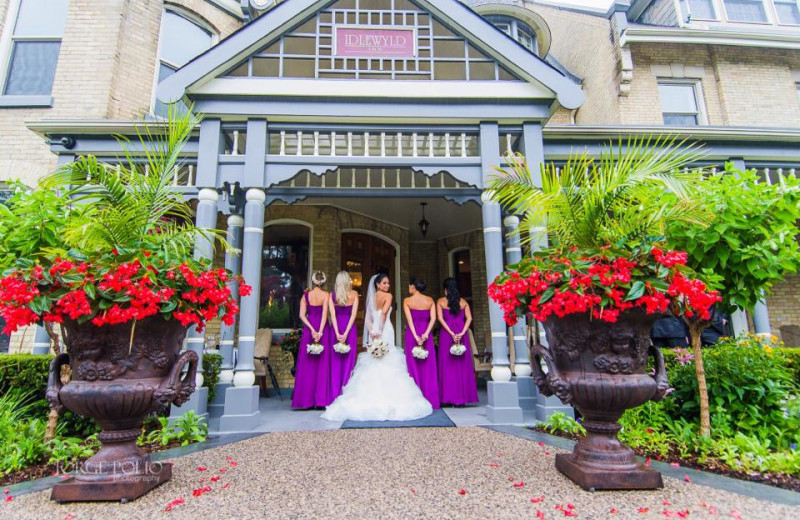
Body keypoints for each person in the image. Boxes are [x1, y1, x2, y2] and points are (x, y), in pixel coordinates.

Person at [322, 273, 433, 422]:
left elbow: (368, 317)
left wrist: (372, 331)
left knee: (376, 358)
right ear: (377, 284)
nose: (387, 285)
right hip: (384, 329)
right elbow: (384, 314)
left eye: (388, 283)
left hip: (375, 329)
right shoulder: (389, 296)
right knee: (386, 358)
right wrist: (379, 331)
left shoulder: (372, 297)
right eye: (385, 283)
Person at [292, 271, 332, 409]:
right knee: (322, 364)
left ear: (313, 281)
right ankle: (320, 400)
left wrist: (312, 330)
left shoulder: (306, 296)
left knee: (307, 365)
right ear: (324, 282)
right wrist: (320, 331)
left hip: (310, 329)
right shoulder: (326, 295)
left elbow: (302, 315)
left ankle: (305, 401)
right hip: (323, 330)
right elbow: (325, 314)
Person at [437, 278, 479, 406]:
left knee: (447, 365)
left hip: (447, 335)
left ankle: (447, 398)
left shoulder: (441, 301)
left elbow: (440, 318)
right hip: (461, 334)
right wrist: (461, 332)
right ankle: (461, 399)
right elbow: (469, 318)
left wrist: (450, 333)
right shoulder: (464, 302)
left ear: (445, 289)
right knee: (462, 366)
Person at [402, 278, 440, 409]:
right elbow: (433, 319)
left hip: (413, 335)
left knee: (413, 365)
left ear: (413, 286)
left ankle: (415, 399)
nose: (408, 287)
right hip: (426, 334)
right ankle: (430, 398)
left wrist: (415, 336)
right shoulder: (430, 300)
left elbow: (409, 320)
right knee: (428, 365)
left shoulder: (407, 300)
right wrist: (425, 334)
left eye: (409, 285)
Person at [328, 271, 359, 401]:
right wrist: (346, 332)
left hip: (336, 329)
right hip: (349, 329)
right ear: (348, 281)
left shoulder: (332, 296)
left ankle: (335, 394)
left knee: (335, 363)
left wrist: (337, 332)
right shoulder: (354, 294)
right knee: (349, 362)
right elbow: (353, 315)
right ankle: (347, 395)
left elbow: (333, 316)